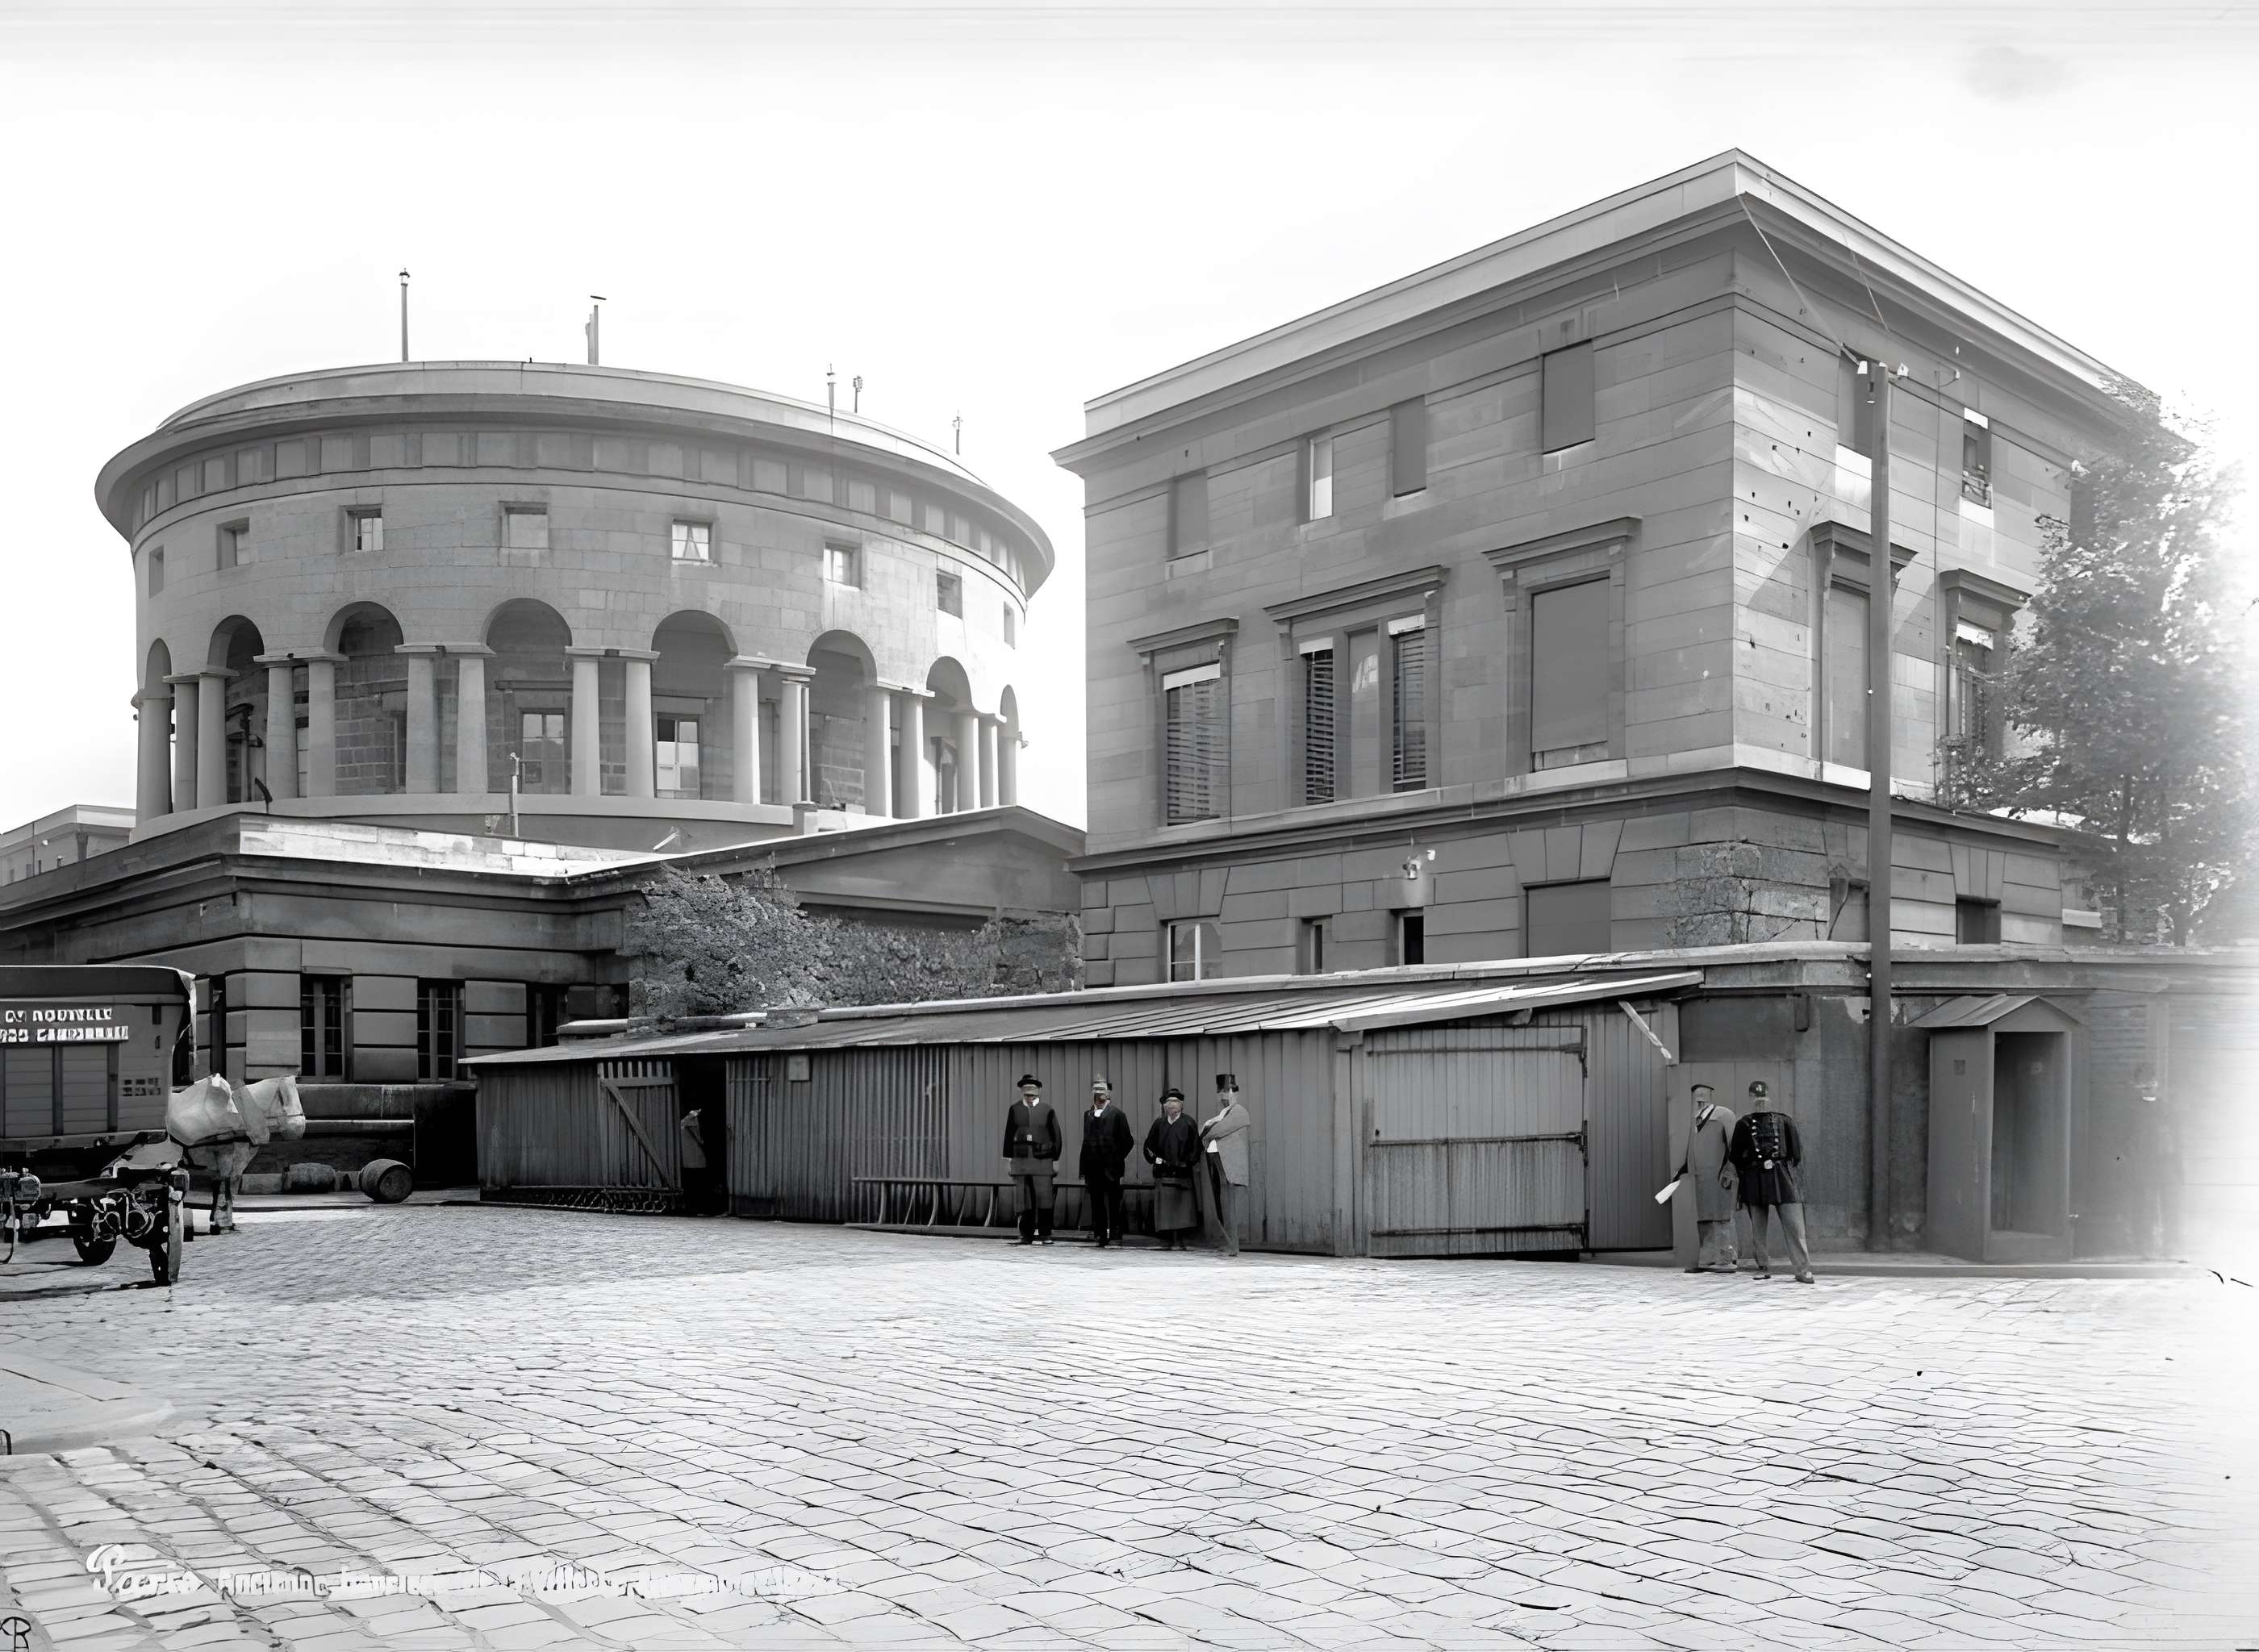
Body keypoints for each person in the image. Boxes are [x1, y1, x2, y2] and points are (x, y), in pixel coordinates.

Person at [1728, 1080, 1813, 1283]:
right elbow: (1735, 1156)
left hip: (1782, 1176)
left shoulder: (1785, 1121)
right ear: (1751, 1099)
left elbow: (1796, 1155)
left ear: (1769, 1097)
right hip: (1755, 1177)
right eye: (1756, 1097)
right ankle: (1763, 1266)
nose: (1760, 1101)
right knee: (1758, 1227)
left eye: (1762, 1097)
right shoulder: (1743, 1124)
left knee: (1794, 1225)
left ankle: (1803, 1270)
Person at [1677, 1083, 1738, 1273]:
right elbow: (1692, 1148)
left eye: (1703, 1095)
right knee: (1704, 1217)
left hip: (1720, 1177)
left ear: (1711, 1096)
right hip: (1701, 1178)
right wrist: (1683, 1169)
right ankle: (1708, 1258)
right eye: (1696, 1096)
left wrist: (1729, 1170)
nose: (1700, 1099)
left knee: (1722, 1216)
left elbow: (1734, 1146)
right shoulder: (1696, 1120)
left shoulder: (1724, 1116)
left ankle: (1725, 1258)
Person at [1001, 1074, 1061, 1245]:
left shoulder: (1048, 1110)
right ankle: (1025, 1235)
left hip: (1042, 1162)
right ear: (1022, 1093)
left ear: (1038, 1094)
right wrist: (1009, 1160)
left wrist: (1055, 1159)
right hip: (1020, 1162)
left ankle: (1045, 1234)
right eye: (1027, 1095)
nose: (1029, 1098)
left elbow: (1057, 1136)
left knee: (1045, 1199)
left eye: (1033, 1095)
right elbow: (1008, 1135)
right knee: (1024, 1200)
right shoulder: (1014, 1109)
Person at [1198, 1073, 1251, 1257]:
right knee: (1220, 1203)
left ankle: (1233, 1246)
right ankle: (1228, 1243)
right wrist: (1208, 1127)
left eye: (1229, 1091)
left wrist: (1208, 1128)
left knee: (1229, 1205)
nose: (1225, 1095)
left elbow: (1215, 1131)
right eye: (1222, 1092)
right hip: (1215, 1159)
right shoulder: (1221, 1114)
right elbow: (1204, 1130)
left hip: (1229, 1165)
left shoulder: (1239, 1111)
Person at [1143, 1087, 1202, 1250]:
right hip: (1164, 1173)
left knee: (1183, 1209)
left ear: (1181, 1105)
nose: (1171, 1105)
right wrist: (1155, 1159)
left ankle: (1182, 1239)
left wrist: (1185, 1164)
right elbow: (1149, 1145)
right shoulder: (1159, 1124)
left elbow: (1196, 1149)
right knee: (1165, 1210)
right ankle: (1166, 1240)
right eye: (1168, 1102)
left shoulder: (1189, 1123)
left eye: (1174, 1102)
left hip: (1182, 1174)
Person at [1079, 1074, 1134, 1248]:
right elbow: (1085, 1141)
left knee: (1113, 1202)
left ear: (1109, 1093)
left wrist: (1116, 1159)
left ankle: (1116, 1235)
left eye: (1103, 1090)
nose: (1100, 1094)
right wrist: (1084, 1166)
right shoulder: (1088, 1115)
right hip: (1092, 1167)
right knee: (1096, 1203)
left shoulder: (1118, 1115)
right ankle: (1100, 1235)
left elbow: (1128, 1141)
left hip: (1111, 1168)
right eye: (1096, 1091)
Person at [679, 1104, 716, 1216]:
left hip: (688, 1163)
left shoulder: (684, 1124)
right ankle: (701, 1209)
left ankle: (693, 1209)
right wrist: (693, 1115)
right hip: (698, 1162)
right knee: (699, 1186)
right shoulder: (691, 1122)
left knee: (692, 1187)